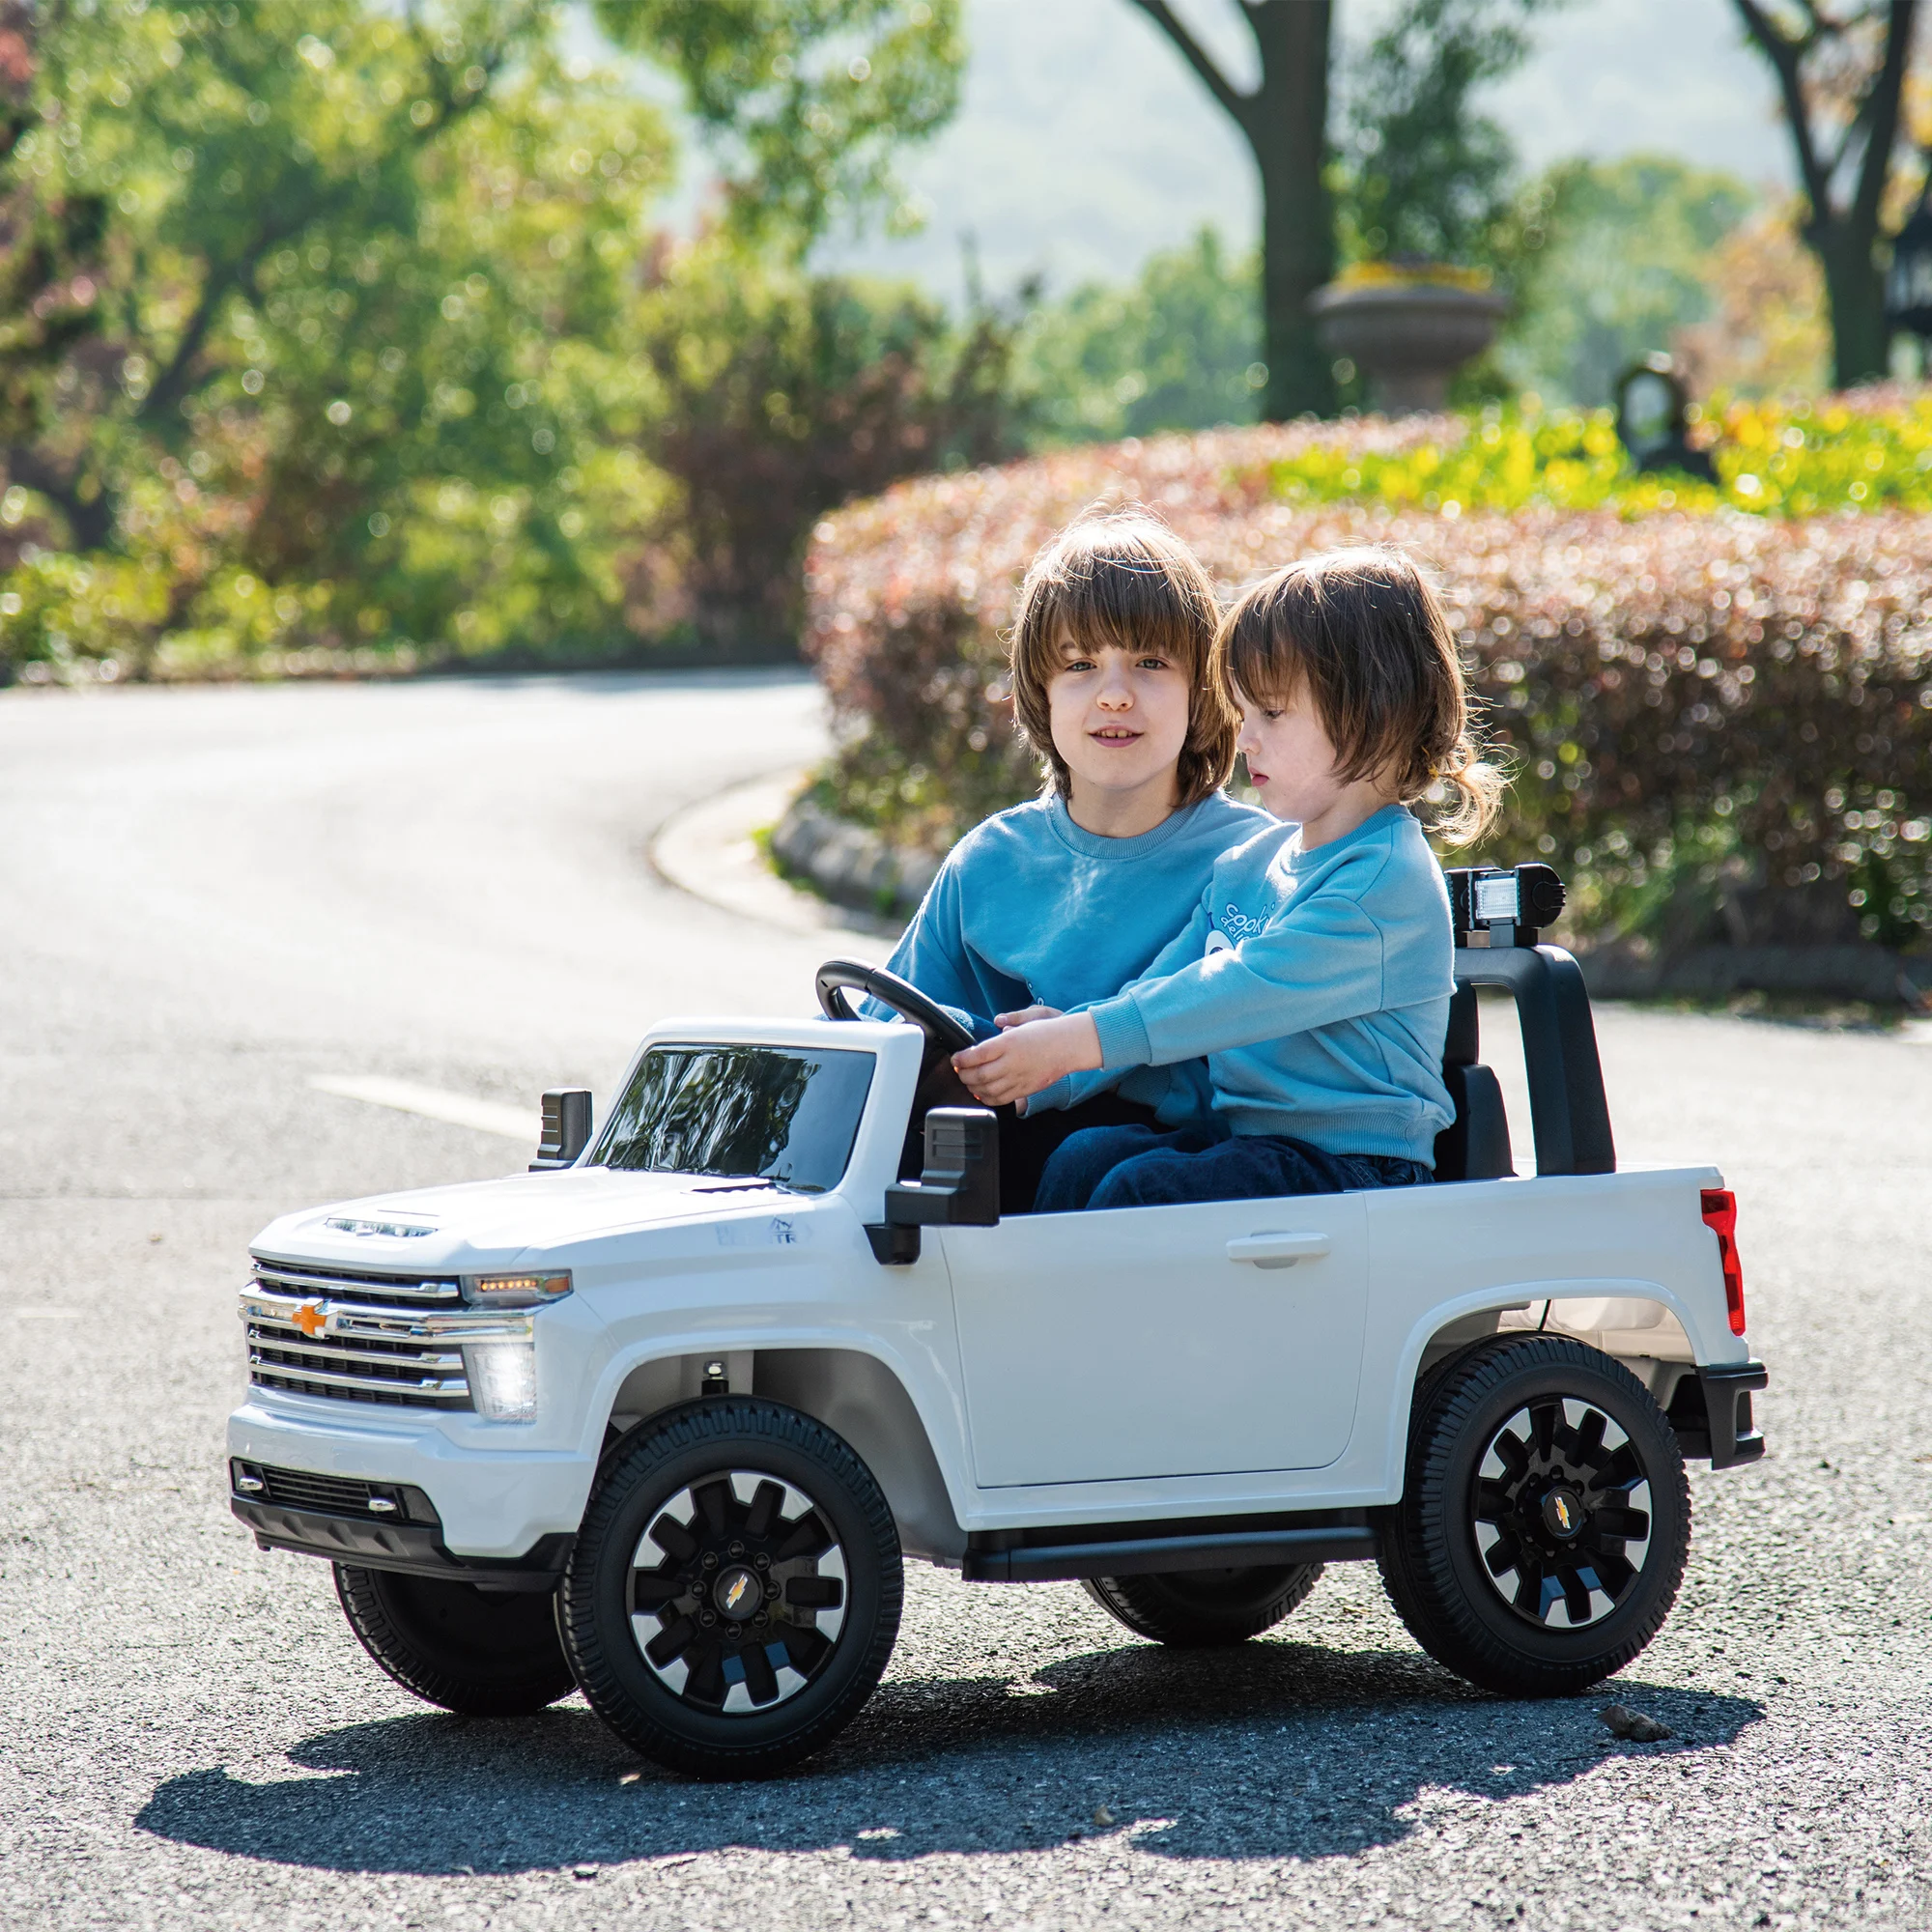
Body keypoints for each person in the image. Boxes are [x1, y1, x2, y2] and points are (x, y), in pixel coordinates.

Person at [952, 545, 1506, 1212]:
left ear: (1375, 711)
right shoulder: (1251, 868)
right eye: (1243, 714)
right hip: (1247, 1145)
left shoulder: (1380, 886)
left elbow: (1234, 994)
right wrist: (1053, 1062)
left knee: (1141, 1190)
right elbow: (1162, 988)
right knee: (1082, 1156)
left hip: (1357, 1172)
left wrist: (1074, 1041)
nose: (1245, 740)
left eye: (1271, 714)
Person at [870, 507, 1271, 1210]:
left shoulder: (1251, 862)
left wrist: (1084, 1056)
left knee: (1089, 1157)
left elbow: (1258, 1073)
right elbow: (885, 1030)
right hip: (995, 1184)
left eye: (1149, 663)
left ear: (1202, 687)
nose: (1114, 693)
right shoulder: (989, 863)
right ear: (1041, 692)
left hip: (1171, 1183)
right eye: (1081, 665)